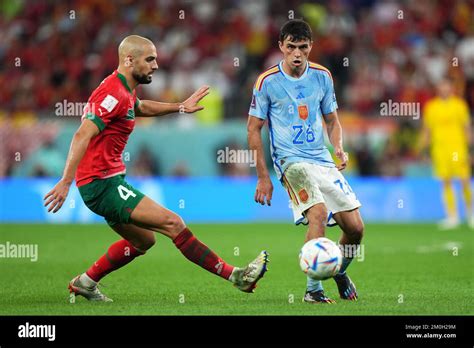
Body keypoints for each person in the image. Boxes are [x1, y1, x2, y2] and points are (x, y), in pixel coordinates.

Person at [44, 35, 268, 302]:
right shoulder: (113, 93)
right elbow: (82, 134)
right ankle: (237, 276)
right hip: (101, 184)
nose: (156, 65)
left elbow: (139, 107)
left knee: (144, 241)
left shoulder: (124, 89)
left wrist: (180, 107)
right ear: (129, 60)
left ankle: (85, 282)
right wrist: (65, 181)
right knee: (174, 222)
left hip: (108, 181)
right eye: (150, 59)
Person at [247, 20, 363, 304]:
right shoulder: (267, 82)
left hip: (321, 159)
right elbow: (253, 128)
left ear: (311, 46)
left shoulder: (322, 76)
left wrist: (338, 147)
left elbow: (332, 120)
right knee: (319, 213)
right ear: (281, 47)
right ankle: (313, 290)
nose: (297, 54)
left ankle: (337, 270)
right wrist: (263, 177)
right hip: (290, 161)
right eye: (291, 47)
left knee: (356, 229)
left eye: (302, 47)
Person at [419, 77, 472, 229]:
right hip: (440, 150)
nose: (444, 89)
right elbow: (427, 130)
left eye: (447, 86)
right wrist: (423, 149)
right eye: (441, 86)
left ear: (451, 88)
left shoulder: (459, 105)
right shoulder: (431, 107)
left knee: (464, 181)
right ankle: (452, 216)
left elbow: (467, 128)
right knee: (446, 182)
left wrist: (470, 149)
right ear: (438, 89)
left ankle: (470, 214)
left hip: (458, 149)